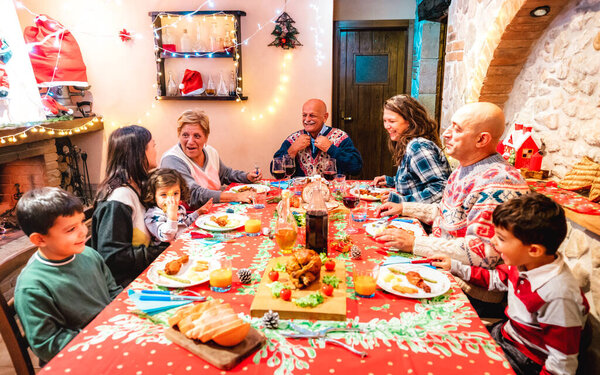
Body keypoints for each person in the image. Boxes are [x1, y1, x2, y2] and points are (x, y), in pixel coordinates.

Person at [374, 102, 530, 307]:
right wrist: (406, 207)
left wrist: (415, 244)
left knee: (381, 297)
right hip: (441, 264)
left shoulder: (498, 183)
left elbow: (482, 254)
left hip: (470, 288)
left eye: (457, 129)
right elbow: (449, 214)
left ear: (482, 139)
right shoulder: (464, 169)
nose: (446, 134)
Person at [432, 193, 589, 375]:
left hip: (527, 359)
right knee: (442, 341)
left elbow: (562, 364)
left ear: (534, 250)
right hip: (506, 334)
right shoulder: (525, 263)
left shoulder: (558, 295)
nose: (492, 241)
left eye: (501, 238)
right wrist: (456, 267)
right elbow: (496, 279)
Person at [14, 187, 122, 363]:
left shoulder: (89, 254)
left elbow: (114, 292)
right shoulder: (32, 286)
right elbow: (47, 344)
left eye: (82, 222)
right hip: (80, 356)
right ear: (40, 239)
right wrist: (101, 336)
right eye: (71, 229)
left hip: (112, 336)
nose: (83, 231)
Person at [91, 125, 164, 287]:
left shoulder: (137, 185)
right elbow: (113, 257)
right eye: (153, 146)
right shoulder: (118, 198)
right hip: (127, 285)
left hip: (145, 271)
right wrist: (162, 252)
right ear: (139, 154)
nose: (155, 150)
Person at [161, 109, 262, 208]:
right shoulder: (172, 160)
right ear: (179, 135)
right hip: (187, 218)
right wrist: (236, 196)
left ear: (206, 138)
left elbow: (225, 174)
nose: (190, 141)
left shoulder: (210, 151)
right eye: (185, 135)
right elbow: (194, 195)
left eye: (197, 136)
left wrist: (247, 176)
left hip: (213, 209)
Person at [372, 95, 451, 203]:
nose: (386, 126)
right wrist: (392, 181)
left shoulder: (418, 147)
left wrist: (401, 201)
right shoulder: (407, 142)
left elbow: (441, 189)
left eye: (392, 121)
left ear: (409, 121)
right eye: (385, 121)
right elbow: (416, 181)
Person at [273, 98, 362, 177]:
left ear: (325, 117)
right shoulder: (294, 139)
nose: (307, 119)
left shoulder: (340, 137)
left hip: (331, 192)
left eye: (312, 115)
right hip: (300, 193)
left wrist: (331, 149)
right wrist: (292, 150)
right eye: (304, 115)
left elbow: (356, 168)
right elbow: (274, 169)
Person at [143, 168, 213, 245]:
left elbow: (184, 222)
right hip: (170, 251)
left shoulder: (179, 208)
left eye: (175, 193)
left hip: (187, 242)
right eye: (164, 195)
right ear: (153, 195)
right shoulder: (152, 215)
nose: (171, 199)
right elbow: (166, 236)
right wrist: (172, 217)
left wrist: (198, 212)